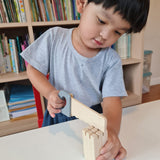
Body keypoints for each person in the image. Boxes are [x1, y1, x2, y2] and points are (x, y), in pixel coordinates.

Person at [21, 0, 150, 159]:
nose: (105, 35)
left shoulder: (111, 60)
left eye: (117, 32)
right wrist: (49, 93)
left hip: (93, 120)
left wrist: (111, 133)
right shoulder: (55, 37)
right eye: (101, 21)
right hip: (58, 116)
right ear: (82, 4)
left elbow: (112, 101)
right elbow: (33, 68)